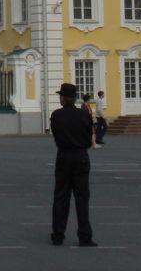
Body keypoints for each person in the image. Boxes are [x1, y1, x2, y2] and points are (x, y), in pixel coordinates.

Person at [49, 83, 95, 247]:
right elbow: (89, 135)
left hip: (64, 155)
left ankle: (58, 235)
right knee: (82, 198)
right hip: (81, 156)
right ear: (74, 98)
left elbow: (55, 135)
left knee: (61, 197)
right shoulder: (84, 115)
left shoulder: (56, 116)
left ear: (63, 98)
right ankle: (85, 236)